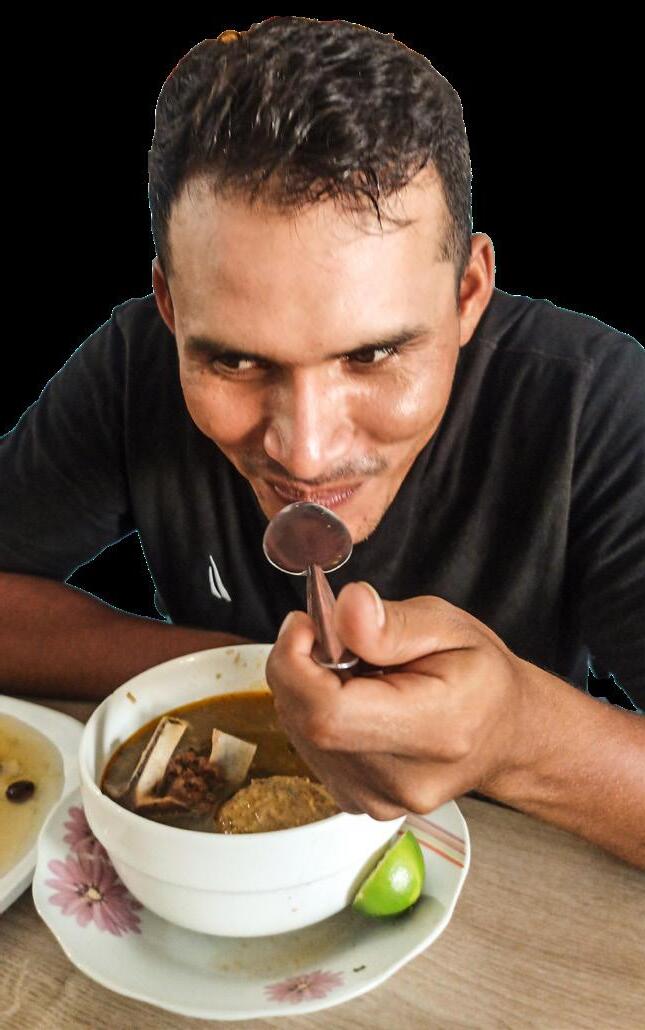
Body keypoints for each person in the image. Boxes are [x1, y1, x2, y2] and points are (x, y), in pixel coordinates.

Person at [1, 17, 643, 868]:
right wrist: (240, 670)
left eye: (371, 355)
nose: (303, 455)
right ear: (170, 308)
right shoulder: (132, 366)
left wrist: (518, 738)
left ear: (467, 294)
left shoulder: (593, 402)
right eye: (234, 360)